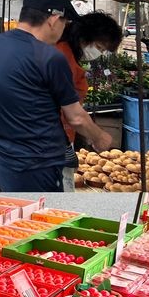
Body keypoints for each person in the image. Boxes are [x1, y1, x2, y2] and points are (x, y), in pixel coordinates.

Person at [0, 0, 113, 192]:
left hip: (1, 156)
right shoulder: (50, 57)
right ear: (53, 18)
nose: (64, 29)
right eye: (64, 22)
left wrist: (4, 127)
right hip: (39, 163)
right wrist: (100, 137)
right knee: (45, 216)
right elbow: (76, 117)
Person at [56, 12, 122, 190]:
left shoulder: (67, 54)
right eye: (99, 47)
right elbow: (73, 115)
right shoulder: (62, 56)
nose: (98, 53)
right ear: (84, 37)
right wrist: (98, 136)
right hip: (55, 140)